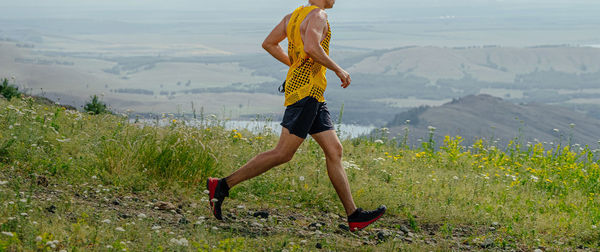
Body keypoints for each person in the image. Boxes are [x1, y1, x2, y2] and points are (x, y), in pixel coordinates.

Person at [207, 0, 386, 232]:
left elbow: (270, 44)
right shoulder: (318, 15)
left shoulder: (292, 17)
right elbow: (312, 47)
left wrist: (294, 64)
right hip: (306, 93)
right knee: (282, 153)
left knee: (335, 150)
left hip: (311, 93)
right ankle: (222, 185)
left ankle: (354, 216)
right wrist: (338, 69)